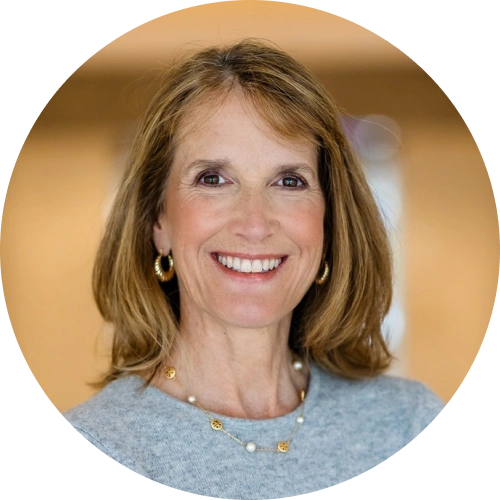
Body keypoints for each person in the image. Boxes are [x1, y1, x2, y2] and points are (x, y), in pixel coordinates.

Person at [64, 39, 445, 499]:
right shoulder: (100, 442)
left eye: (289, 181)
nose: (255, 223)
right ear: (157, 221)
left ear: (329, 223)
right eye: (213, 179)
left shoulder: (407, 424)